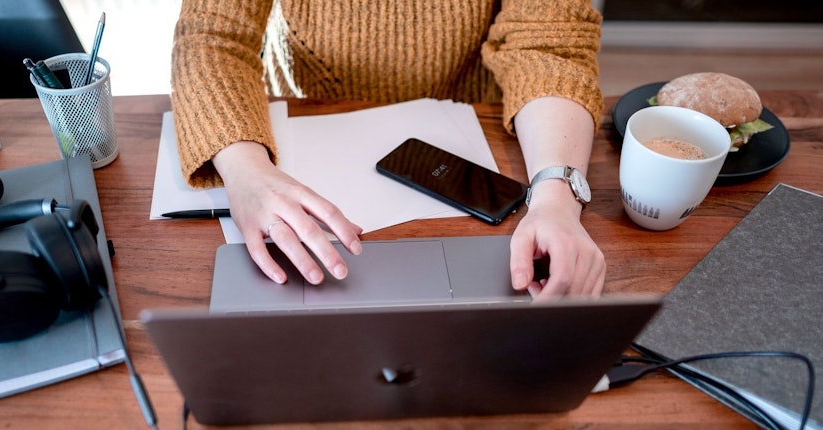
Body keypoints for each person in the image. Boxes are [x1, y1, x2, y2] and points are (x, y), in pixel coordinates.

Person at [171, 0, 606, 298]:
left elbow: (550, 42)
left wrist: (556, 196)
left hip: (477, 144)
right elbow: (211, 37)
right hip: (301, 141)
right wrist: (245, 171)